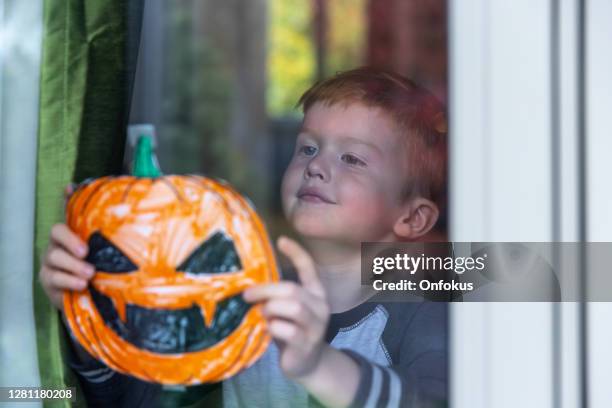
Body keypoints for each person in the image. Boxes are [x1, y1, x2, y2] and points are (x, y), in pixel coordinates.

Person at [39, 67, 448, 407]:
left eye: (352, 158)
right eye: (307, 148)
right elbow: (138, 401)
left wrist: (316, 365)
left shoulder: (433, 301)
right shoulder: (241, 291)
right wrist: (91, 317)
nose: (316, 166)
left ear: (412, 218)